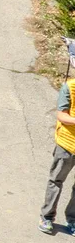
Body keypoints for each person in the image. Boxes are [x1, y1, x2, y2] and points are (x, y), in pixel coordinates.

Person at [45, 68, 75, 233]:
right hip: (66, 144)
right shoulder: (69, 87)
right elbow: (62, 116)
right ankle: (47, 217)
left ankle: (72, 220)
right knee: (56, 181)